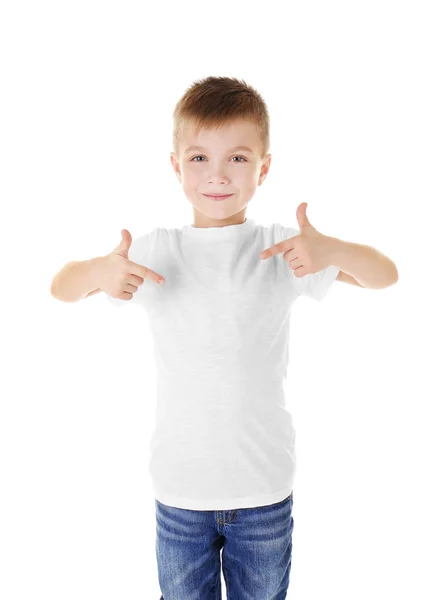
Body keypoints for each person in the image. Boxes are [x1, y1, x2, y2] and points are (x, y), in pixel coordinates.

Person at [50, 75, 398, 600]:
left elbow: (385, 275)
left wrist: (333, 251)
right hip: (180, 492)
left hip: (263, 492)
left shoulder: (283, 248)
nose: (217, 175)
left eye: (236, 158)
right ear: (175, 166)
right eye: (198, 159)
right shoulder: (155, 250)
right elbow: (61, 289)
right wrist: (99, 270)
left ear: (263, 167)